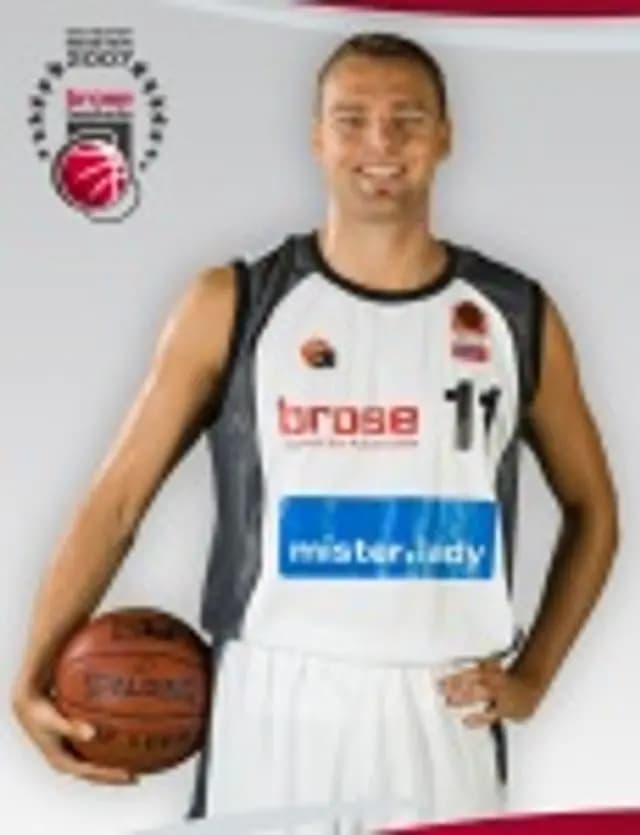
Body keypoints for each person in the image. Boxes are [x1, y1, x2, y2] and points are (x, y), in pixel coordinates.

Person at [12, 31, 618, 832]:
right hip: (271, 701)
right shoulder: (233, 303)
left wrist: (534, 675)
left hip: (445, 708)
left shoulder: (515, 313)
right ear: (316, 137)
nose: (380, 143)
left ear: (445, 136)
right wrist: (31, 672)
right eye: (351, 119)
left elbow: (593, 509)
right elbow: (117, 501)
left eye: (407, 119)